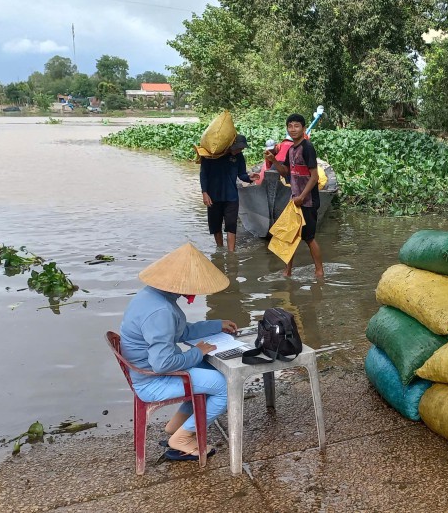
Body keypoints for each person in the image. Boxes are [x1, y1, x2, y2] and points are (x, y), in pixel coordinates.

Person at [119, 243, 236, 460]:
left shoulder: (152, 295)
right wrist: (197, 352)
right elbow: (162, 364)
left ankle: (177, 425)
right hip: (152, 381)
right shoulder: (161, 311)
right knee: (224, 385)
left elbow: (182, 331)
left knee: (205, 368)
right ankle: (182, 438)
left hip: (146, 371)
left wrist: (216, 325)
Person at [264, 113, 325, 278]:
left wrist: (302, 197)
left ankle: (319, 271)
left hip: (308, 201)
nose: (293, 129)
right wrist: (274, 160)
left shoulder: (307, 148)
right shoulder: (291, 149)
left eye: (296, 126)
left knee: (309, 238)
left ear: (303, 129)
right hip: (295, 200)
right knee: (288, 236)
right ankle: (287, 271)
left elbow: (314, 177)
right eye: (290, 126)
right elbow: (285, 173)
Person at [200, 134, 254, 251]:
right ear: (231, 144)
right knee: (216, 226)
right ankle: (219, 249)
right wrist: (205, 192)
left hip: (231, 196)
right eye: (238, 147)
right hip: (213, 196)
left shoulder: (239, 156)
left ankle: (231, 254)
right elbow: (203, 175)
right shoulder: (211, 155)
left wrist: (250, 178)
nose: (240, 150)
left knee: (231, 225)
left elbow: (242, 174)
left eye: (242, 148)